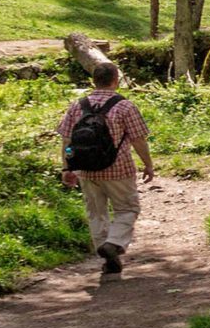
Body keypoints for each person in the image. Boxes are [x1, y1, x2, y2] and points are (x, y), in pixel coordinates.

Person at [57, 62, 156, 276]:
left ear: (94, 80)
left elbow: (66, 139)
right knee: (127, 209)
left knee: (96, 212)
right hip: (118, 169)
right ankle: (113, 242)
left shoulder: (78, 105)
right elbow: (138, 139)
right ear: (115, 80)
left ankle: (105, 253)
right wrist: (148, 164)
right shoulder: (124, 106)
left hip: (85, 169)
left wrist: (67, 167)